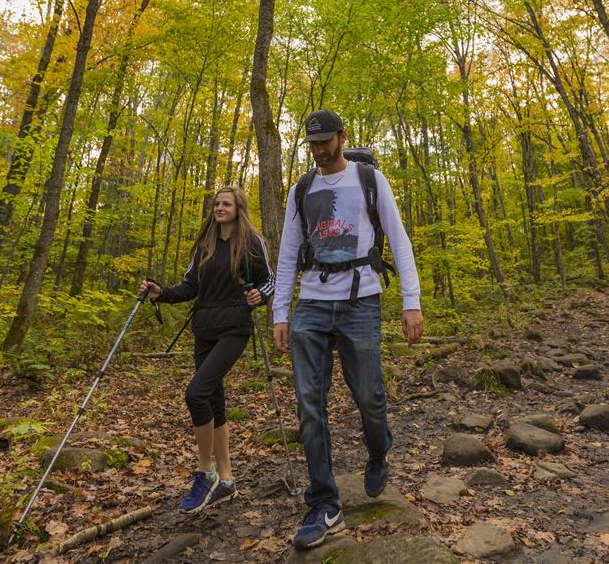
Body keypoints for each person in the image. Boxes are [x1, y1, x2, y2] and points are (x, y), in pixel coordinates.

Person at [272, 109, 423, 550]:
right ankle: (324, 502)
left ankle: (378, 449)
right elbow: (288, 253)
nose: (319, 151)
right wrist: (281, 313)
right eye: (312, 144)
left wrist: (411, 302)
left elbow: (399, 239)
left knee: (369, 397)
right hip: (312, 303)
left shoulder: (370, 180)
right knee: (309, 404)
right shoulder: (302, 189)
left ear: (342, 137)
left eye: (325, 142)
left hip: (361, 300)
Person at [141, 186, 273, 513]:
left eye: (226, 203)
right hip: (205, 328)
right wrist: (161, 293)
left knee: (196, 394)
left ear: (238, 208)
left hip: (234, 328)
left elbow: (270, 281)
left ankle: (205, 473)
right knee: (214, 400)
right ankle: (226, 481)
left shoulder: (252, 242)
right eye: (216, 204)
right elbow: (190, 286)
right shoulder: (205, 244)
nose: (219, 208)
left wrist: (260, 295)